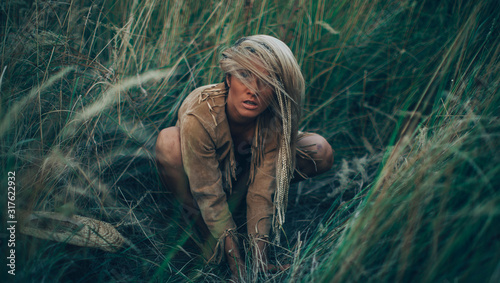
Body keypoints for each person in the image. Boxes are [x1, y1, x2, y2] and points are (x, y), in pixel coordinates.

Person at [155, 35, 333, 279]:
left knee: (318, 149)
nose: (253, 90)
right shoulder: (201, 110)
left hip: (244, 178)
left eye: (267, 81)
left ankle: (238, 211)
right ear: (229, 78)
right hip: (202, 182)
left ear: (277, 89)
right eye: (245, 75)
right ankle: (204, 234)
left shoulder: (276, 119)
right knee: (168, 142)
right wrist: (235, 261)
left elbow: (262, 191)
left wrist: (259, 258)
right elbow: (208, 191)